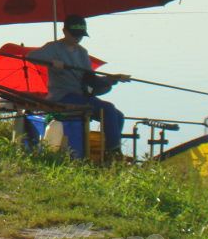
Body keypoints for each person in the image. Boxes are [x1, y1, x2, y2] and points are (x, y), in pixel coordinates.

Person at [27, 15, 130, 156]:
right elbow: (31, 56)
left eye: (80, 36)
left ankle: (107, 151)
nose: (77, 38)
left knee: (118, 116)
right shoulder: (54, 47)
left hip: (80, 95)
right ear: (65, 31)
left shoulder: (82, 52)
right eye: (75, 35)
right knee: (109, 109)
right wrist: (52, 62)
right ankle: (114, 152)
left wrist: (112, 78)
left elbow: (90, 79)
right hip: (62, 96)